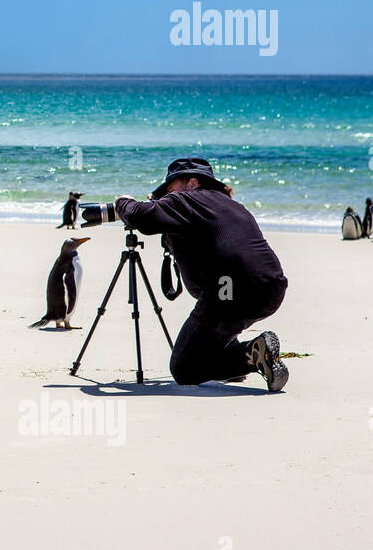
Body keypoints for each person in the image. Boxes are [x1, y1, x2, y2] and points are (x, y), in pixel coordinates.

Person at [115, 158, 290, 391]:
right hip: (271, 288)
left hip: (229, 291)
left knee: (185, 368)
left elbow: (140, 217)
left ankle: (251, 354)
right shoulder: (232, 206)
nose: (167, 196)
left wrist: (123, 202)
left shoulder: (187, 200)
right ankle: (241, 357)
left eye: (170, 189)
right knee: (220, 323)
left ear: (193, 183)